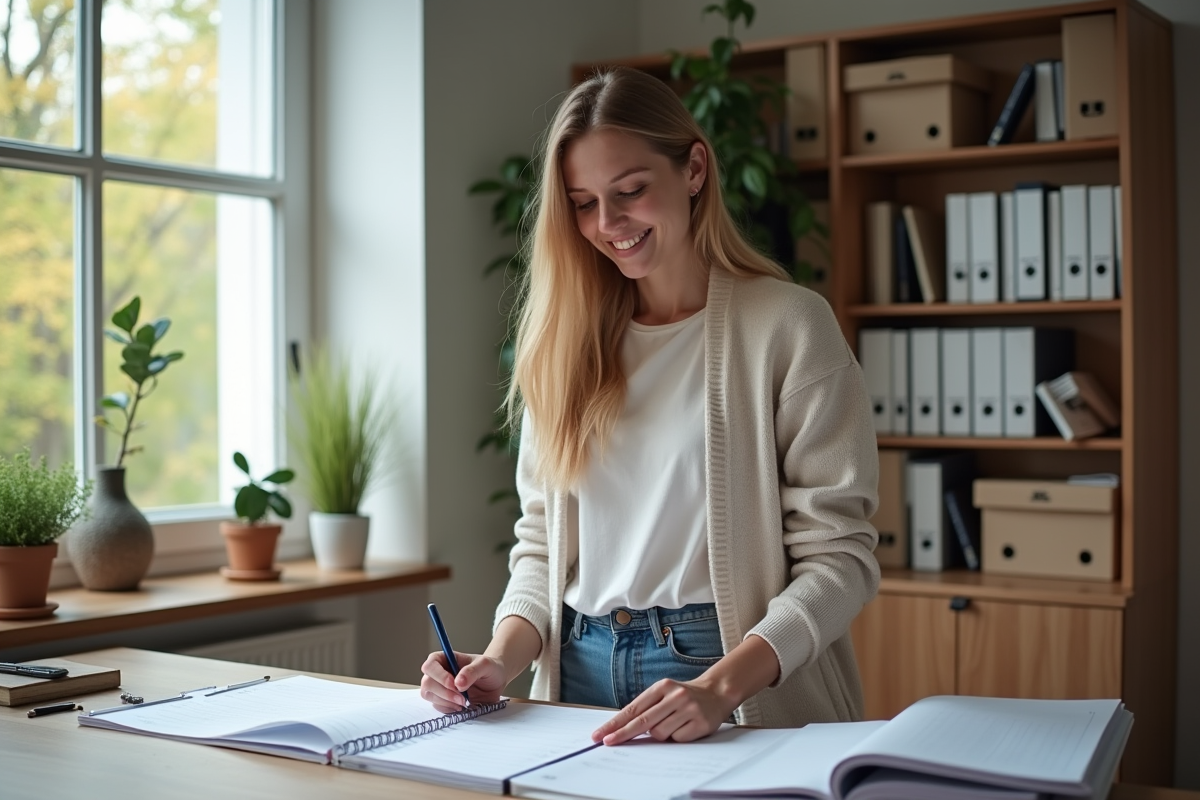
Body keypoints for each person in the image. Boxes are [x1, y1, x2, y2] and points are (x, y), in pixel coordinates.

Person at [421, 66, 880, 746]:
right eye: (582, 202)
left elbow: (841, 561)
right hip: (576, 668)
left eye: (630, 191)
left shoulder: (788, 325)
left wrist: (719, 687)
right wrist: (499, 658)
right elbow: (543, 545)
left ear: (693, 169)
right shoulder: (562, 343)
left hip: (722, 667)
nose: (609, 225)